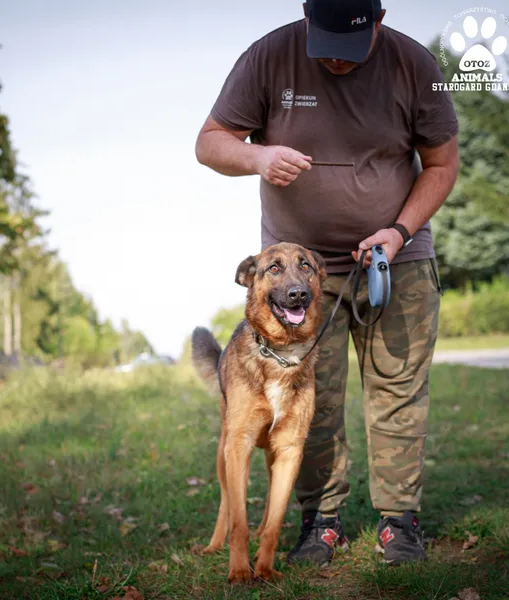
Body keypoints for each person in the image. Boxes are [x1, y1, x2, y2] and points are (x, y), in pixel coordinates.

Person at [195, 0, 459, 566]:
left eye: (348, 48)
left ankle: (400, 522)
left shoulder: (415, 66)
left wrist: (399, 230)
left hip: (397, 258)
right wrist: (258, 156)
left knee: (398, 393)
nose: (335, 62)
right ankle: (321, 522)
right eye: (325, 46)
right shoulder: (269, 57)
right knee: (313, 406)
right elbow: (210, 142)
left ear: (379, 20)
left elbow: (441, 164)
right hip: (302, 278)